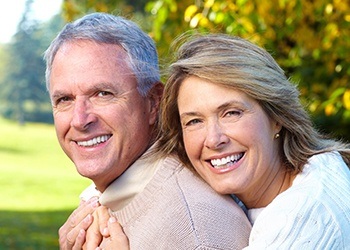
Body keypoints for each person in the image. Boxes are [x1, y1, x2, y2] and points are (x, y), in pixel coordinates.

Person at [44, 13, 251, 249]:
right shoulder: (105, 202)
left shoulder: (196, 232)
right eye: (64, 99)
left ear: (153, 102)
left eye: (103, 94)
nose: (80, 120)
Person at [157, 33, 350, 249]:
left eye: (231, 113)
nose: (213, 139)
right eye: (194, 121)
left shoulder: (306, 218)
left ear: (276, 117)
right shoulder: (309, 173)